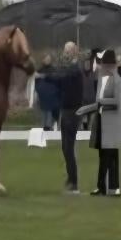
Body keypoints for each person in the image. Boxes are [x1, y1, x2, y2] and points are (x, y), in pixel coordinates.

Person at [79, 49, 121, 196]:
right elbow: (98, 103)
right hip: (100, 120)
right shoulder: (100, 79)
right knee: (102, 155)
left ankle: (114, 186)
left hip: (112, 122)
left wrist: (101, 102)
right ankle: (101, 187)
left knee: (111, 155)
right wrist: (86, 109)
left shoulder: (117, 80)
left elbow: (117, 101)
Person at [46, 41, 86, 194]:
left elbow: (60, 78)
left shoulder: (75, 70)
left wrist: (44, 76)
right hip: (67, 110)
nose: (65, 54)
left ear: (74, 52)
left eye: (67, 51)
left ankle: (73, 183)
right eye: (64, 51)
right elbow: (59, 76)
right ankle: (71, 180)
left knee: (68, 147)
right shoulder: (69, 69)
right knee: (65, 147)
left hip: (73, 111)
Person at [33, 54, 60, 129]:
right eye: (46, 59)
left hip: (52, 97)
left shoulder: (53, 70)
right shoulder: (39, 70)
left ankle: (49, 126)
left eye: (49, 59)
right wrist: (37, 92)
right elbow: (36, 83)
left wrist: (42, 76)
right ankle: (44, 127)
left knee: (50, 114)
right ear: (43, 60)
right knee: (43, 114)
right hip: (42, 96)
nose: (48, 60)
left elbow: (54, 78)